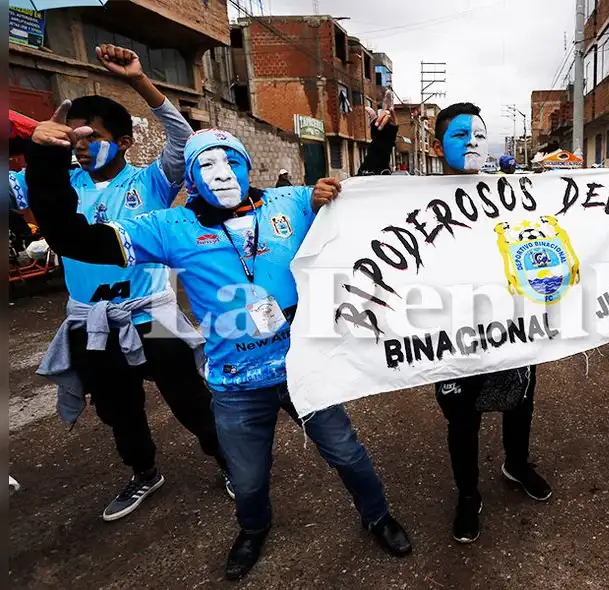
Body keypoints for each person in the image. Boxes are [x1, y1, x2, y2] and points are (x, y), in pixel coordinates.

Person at [26, 109, 412, 580]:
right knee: (247, 480)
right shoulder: (168, 227)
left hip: (305, 371)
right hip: (235, 386)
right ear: (189, 178)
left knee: (349, 454)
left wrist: (383, 139)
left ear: (249, 165)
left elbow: (363, 207)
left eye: (231, 161)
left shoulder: (291, 202)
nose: (222, 173)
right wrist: (46, 162)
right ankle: (253, 529)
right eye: (206, 166)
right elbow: (74, 239)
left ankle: (378, 517)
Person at [8, 44, 230, 522]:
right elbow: (10, 190)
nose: (81, 145)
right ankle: (144, 471)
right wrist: (30, 138)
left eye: (92, 136)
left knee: (190, 398)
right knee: (116, 408)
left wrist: (138, 81)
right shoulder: (60, 185)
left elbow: (181, 140)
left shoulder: (152, 181)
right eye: (75, 137)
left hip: (153, 315)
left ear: (125, 142)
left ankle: (230, 462)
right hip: (91, 321)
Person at [429, 103, 551, 544]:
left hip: (511, 326)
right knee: (462, 421)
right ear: (435, 144)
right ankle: (467, 495)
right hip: (451, 334)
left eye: (479, 135)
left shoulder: (511, 194)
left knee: (519, 402)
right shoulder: (409, 199)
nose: (473, 143)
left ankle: (516, 465)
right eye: (461, 135)